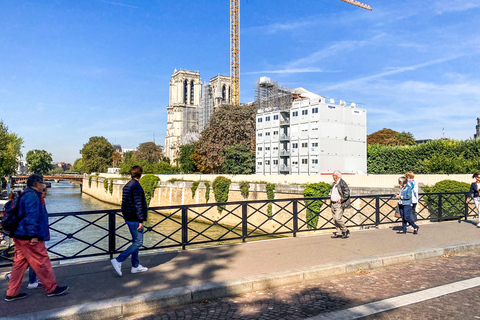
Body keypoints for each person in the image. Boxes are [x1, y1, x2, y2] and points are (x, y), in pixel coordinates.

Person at [5, 174, 69, 302]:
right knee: (42, 262)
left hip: (20, 235)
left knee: (19, 264)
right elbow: (32, 217)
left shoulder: (25, 194)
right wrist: (33, 235)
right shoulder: (32, 197)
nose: (44, 185)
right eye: (42, 183)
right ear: (37, 184)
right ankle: (52, 288)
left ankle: (11, 292)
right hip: (29, 237)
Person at [111, 166, 149, 276]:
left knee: (135, 242)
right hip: (135, 218)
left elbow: (124, 203)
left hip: (128, 217)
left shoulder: (127, 185)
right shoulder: (136, 186)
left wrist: (125, 214)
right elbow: (138, 205)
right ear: (140, 174)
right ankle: (118, 260)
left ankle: (135, 266)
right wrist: (140, 220)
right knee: (138, 242)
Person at [330, 170, 351, 239]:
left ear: (336, 176)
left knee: (337, 218)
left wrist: (341, 199)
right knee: (334, 219)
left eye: (333, 175)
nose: (332, 176)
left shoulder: (342, 183)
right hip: (333, 203)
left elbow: (347, 193)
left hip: (339, 204)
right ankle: (339, 232)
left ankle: (345, 230)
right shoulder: (335, 183)